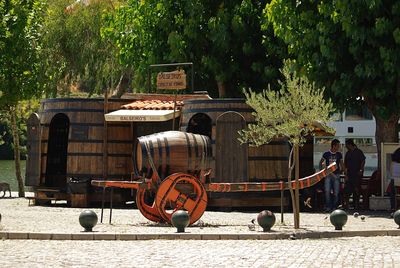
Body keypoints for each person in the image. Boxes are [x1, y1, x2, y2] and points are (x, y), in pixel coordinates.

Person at [319, 139, 344, 212]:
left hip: (336, 175)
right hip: (328, 175)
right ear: (334, 146)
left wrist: (343, 171)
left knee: (336, 192)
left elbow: (342, 164)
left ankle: (334, 207)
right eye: (338, 145)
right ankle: (328, 206)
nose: (339, 147)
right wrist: (322, 172)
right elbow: (321, 162)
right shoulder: (326, 154)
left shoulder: (339, 154)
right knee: (327, 191)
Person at [343, 139, 366, 210]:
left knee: (356, 189)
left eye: (347, 145)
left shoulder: (359, 152)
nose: (346, 147)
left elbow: (363, 161)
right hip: (349, 174)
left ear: (350, 145)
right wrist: (345, 175)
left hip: (357, 174)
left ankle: (356, 205)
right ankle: (347, 206)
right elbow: (345, 164)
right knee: (348, 190)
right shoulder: (348, 153)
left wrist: (361, 169)